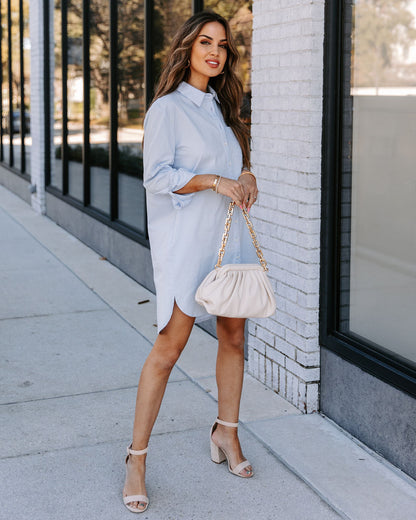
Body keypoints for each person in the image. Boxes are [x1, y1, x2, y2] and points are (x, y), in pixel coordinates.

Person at [122, 10, 259, 513]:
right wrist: (212, 181)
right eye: (206, 42)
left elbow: (234, 164)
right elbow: (155, 177)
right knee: (169, 347)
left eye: (223, 45)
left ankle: (227, 432)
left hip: (228, 241)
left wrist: (244, 177)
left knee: (233, 337)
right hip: (188, 244)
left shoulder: (224, 108)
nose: (216, 52)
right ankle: (136, 458)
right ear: (188, 47)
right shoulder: (167, 109)